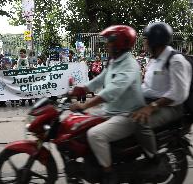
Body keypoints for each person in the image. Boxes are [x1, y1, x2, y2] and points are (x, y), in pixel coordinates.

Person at [70, 25, 145, 184]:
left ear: (118, 44)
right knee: (78, 125)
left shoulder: (130, 65)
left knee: (95, 134)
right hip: (111, 111)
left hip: (127, 115)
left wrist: (85, 105)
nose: (106, 45)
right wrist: (80, 89)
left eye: (109, 42)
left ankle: (109, 173)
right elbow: (100, 80)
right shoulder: (114, 61)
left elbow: (111, 92)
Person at [131, 22, 192, 160]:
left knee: (140, 122)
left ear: (154, 41)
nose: (144, 43)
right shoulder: (155, 60)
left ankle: (153, 159)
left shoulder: (175, 60)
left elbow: (178, 93)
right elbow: (149, 87)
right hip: (154, 102)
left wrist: (152, 107)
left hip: (172, 107)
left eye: (146, 39)